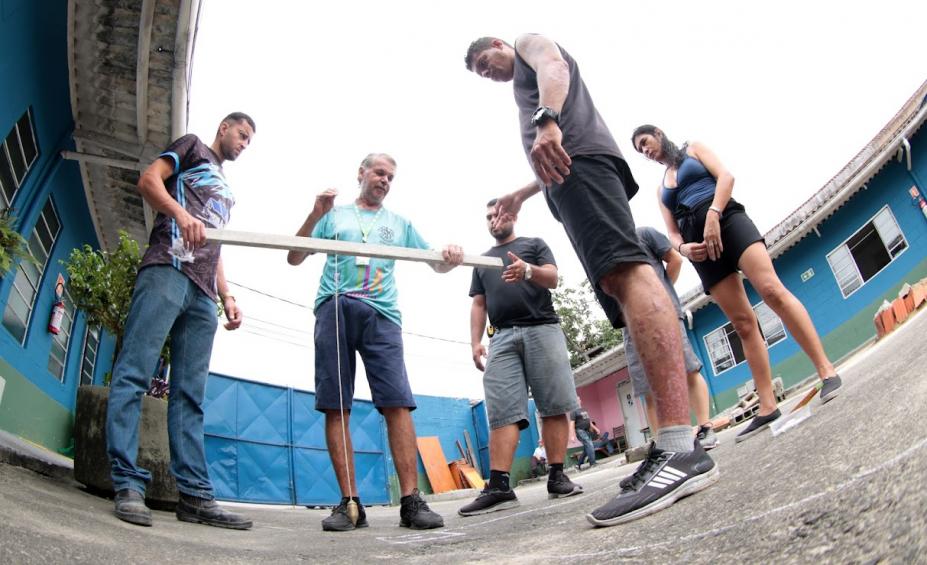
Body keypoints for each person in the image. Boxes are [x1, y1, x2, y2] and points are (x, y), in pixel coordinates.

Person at [464, 35, 718, 527]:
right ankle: (672, 443)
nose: (487, 72)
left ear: (499, 43)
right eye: (478, 72)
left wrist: (546, 120)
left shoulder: (529, 46)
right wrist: (523, 192)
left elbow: (554, 66)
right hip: (570, 178)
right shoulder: (527, 91)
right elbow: (557, 144)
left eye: (484, 61)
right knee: (619, 282)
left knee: (628, 273)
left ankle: (680, 449)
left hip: (582, 168)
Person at [630, 125, 842, 443]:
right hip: (701, 250)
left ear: (658, 134)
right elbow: (672, 234)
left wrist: (714, 214)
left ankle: (826, 370)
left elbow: (726, 178)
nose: (645, 151)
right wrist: (685, 249)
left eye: (645, 142)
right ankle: (768, 406)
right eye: (639, 150)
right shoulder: (661, 191)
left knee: (771, 291)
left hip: (728, 222)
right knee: (743, 324)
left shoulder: (693, 149)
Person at [287, 153, 463, 532]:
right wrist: (316, 212)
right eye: (380, 173)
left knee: (398, 402)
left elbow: (436, 262)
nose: (385, 180)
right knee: (336, 406)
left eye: (391, 177)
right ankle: (350, 503)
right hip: (334, 308)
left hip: (382, 315)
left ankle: (411, 502)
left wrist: (449, 255)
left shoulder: (400, 224)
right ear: (361, 174)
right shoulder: (334, 216)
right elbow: (295, 255)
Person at [106, 113, 256, 530]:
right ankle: (127, 484)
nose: (244, 144)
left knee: (190, 396)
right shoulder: (192, 148)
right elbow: (149, 180)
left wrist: (227, 295)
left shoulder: (225, 189)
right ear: (224, 127)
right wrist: (181, 214)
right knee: (134, 373)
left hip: (204, 293)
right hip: (167, 270)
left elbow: (216, 243)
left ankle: (193, 496)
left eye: (249, 142)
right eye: (242, 135)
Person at [459, 199, 582, 517]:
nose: (492, 220)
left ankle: (557, 475)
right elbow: (478, 304)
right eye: (487, 216)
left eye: (497, 214)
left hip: (542, 328)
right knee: (501, 409)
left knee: (554, 402)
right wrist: (475, 342)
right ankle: (499, 486)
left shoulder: (535, 244)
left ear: (512, 215)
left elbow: (553, 278)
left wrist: (528, 270)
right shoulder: (482, 260)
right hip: (500, 336)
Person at [624, 227, 719, 451]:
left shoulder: (644, 234)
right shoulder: (604, 249)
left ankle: (705, 427)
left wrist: (662, 295)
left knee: (688, 369)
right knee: (647, 386)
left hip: (664, 312)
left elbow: (675, 259)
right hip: (631, 325)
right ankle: (663, 446)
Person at [569, 398, 599, 470]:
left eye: (579, 399)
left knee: (587, 447)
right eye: (576, 400)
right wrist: (572, 435)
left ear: (580, 401)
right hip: (580, 431)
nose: (578, 401)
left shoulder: (584, 410)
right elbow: (571, 424)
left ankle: (578, 464)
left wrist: (596, 428)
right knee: (589, 444)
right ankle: (592, 463)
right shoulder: (573, 411)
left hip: (586, 431)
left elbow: (589, 421)